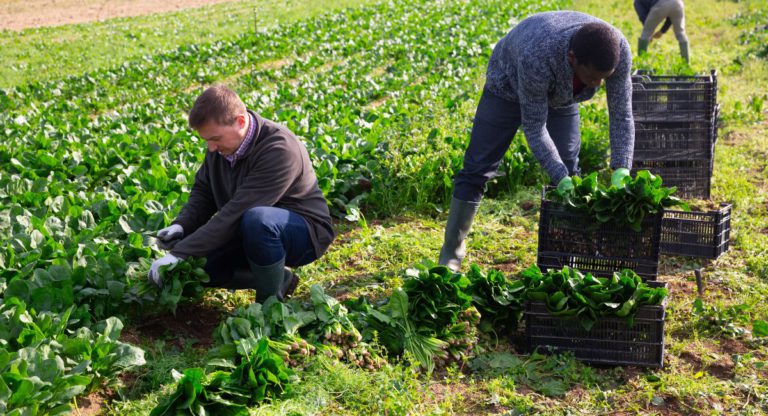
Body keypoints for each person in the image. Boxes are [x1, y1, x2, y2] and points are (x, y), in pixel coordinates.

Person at [438, 11, 634, 272]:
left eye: (604, 78)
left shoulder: (617, 49)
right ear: (572, 58)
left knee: (568, 168)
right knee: (477, 167)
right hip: (507, 85)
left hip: (562, 95)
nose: (598, 85)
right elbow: (534, 126)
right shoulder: (538, 55)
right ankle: (451, 254)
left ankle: (566, 257)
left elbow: (622, 115)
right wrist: (558, 175)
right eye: (593, 78)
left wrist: (621, 166)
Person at [148, 85, 335, 302]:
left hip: (303, 233)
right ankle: (277, 279)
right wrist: (181, 225)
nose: (211, 148)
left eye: (215, 139)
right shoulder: (222, 148)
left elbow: (236, 213)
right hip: (246, 229)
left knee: (258, 220)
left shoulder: (279, 148)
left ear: (240, 121)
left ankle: (270, 305)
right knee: (198, 265)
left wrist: (178, 253)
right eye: (206, 140)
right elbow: (204, 192)